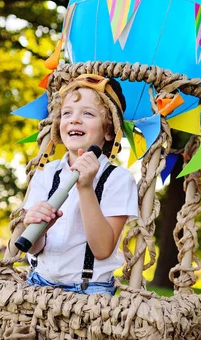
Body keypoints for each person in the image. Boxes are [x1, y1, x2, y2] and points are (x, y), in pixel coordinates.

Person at [22, 74, 138, 295]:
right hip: (38, 283)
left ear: (108, 130)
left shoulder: (118, 179)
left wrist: (85, 188)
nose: (74, 119)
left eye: (87, 113)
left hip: (89, 290)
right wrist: (34, 223)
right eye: (67, 113)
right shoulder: (46, 173)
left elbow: (103, 249)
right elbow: (34, 248)